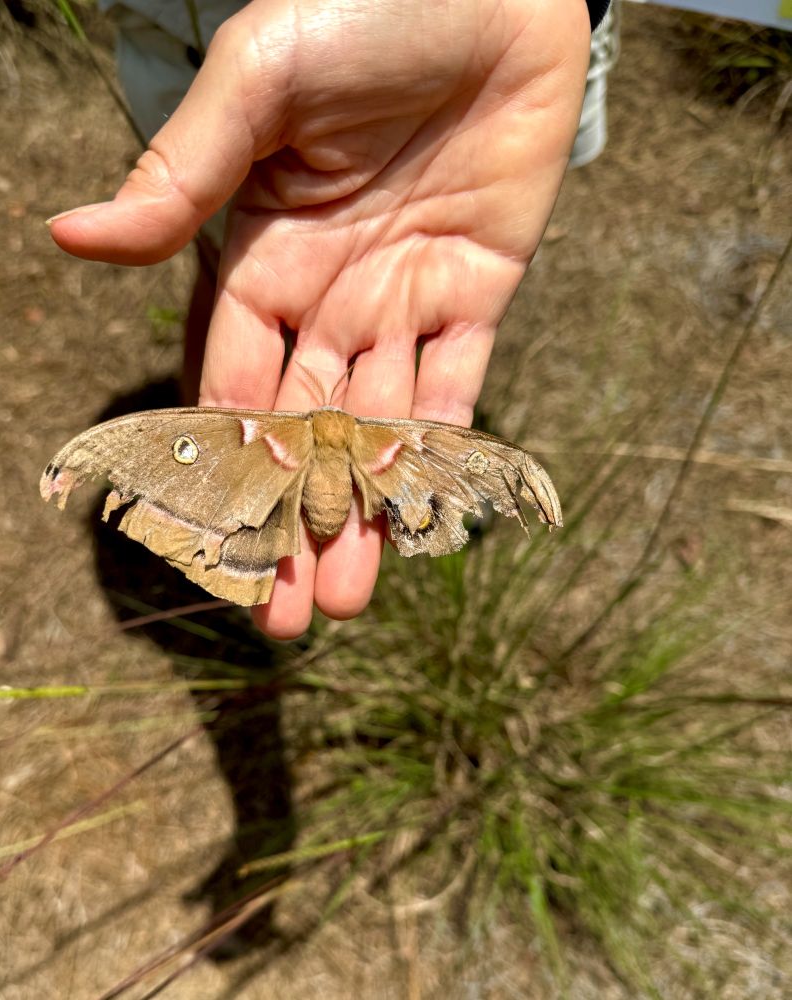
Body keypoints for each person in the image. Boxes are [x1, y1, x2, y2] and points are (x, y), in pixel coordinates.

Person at [47, 0, 608, 639]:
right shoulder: (383, 432)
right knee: (227, 265)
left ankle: (262, 517)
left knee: (227, 267)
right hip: (182, 24)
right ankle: (215, 512)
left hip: (513, 54)